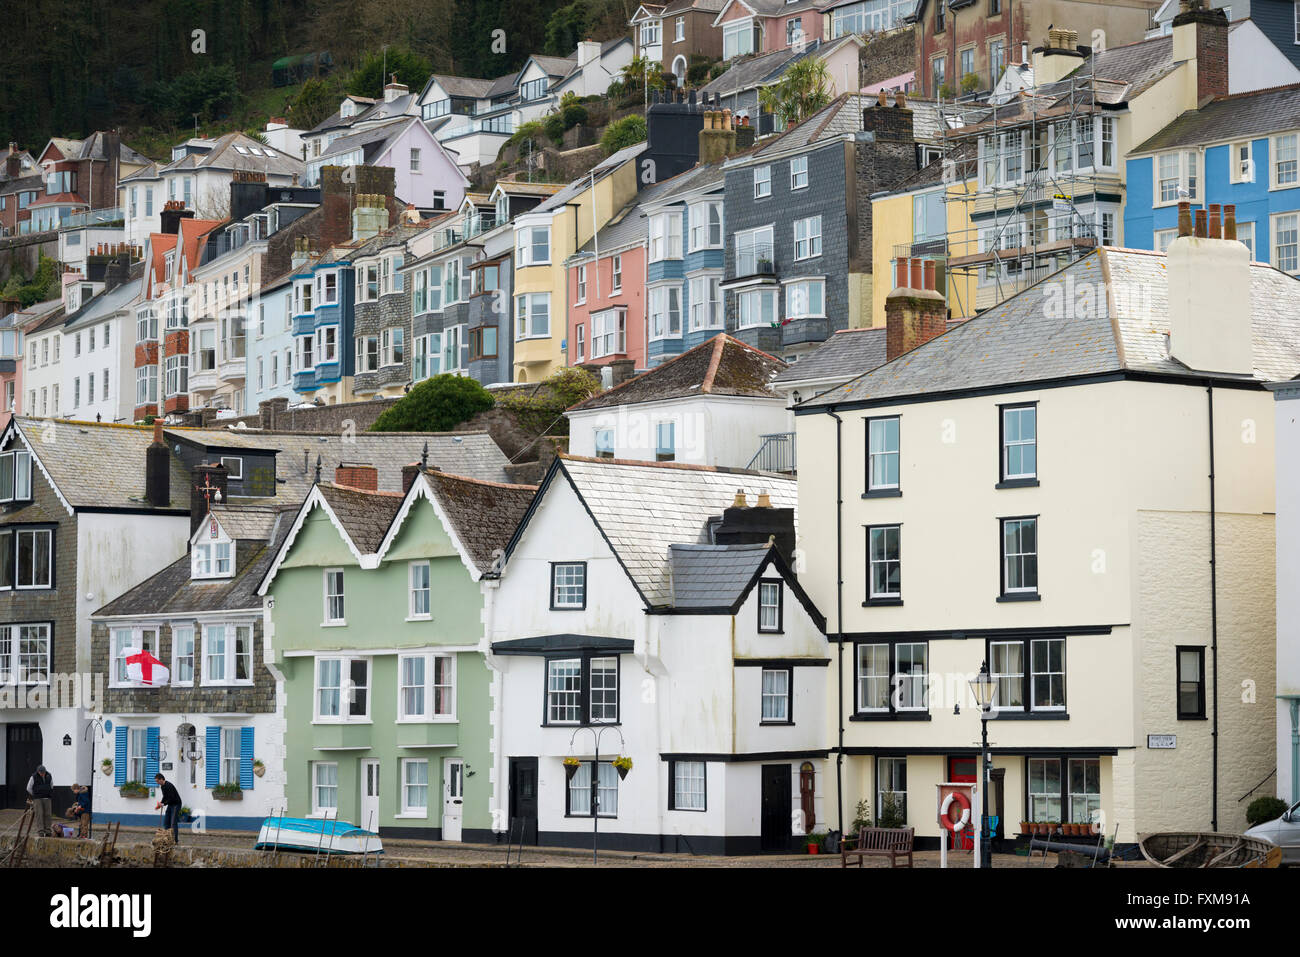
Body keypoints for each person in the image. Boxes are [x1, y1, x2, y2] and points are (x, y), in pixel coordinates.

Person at [154, 773, 182, 844]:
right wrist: (160, 804)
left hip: (176, 804)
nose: (157, 783)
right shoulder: (162, 787)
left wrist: (163, 804)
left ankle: (175, 840)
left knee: (173, 823)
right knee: (166, 822)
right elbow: (165, 797)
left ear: (161, 779)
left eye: (157, 781)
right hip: (170, 804)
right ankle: (167, 839)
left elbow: (172, 798)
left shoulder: (169, 785)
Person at [27, 765, 53, 837]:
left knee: (48, 814)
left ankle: (48, 830)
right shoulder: (33, 777)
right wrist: (35, 794)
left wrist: (48, 792)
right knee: (39, 814)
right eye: (41, 772)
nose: (42, 774)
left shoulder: (49, 776)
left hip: (47, 798)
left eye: (43, 772)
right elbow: (28, 788)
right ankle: (41, 831)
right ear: (38, 772)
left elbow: (51, 785)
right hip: (38, 799)